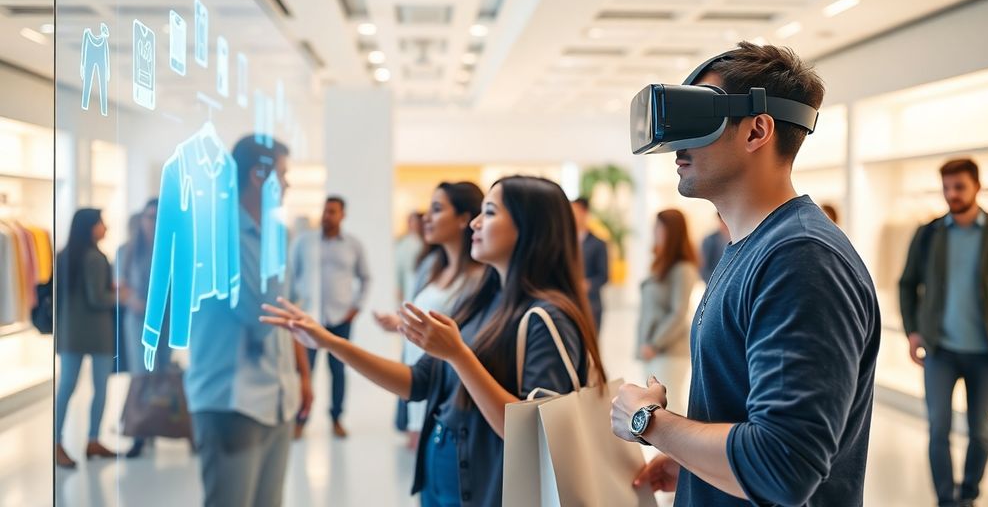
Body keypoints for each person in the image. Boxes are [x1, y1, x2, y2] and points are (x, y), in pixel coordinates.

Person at [612, 42, 880, 507]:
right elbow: (746, 417)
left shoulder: (800, 258)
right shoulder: (753, 247)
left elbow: (783, 467)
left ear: (757, 130)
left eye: (700, 119)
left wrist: (650, 421)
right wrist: (693, 464)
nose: (676, 147)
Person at [262, 175, 608, 507]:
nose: (475, 224)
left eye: (489, 213)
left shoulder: (547, 318)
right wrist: (329, 342)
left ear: (529, 228)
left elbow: (533, 436)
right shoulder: (482, 300)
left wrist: (458, 355)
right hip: (442, 479)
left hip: (490, 488)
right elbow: (417, 381)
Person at [186, 135, 312, 507]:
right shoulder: (218, 235)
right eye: (282, 175)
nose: (287, 185)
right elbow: (263, 315)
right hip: (231, 402)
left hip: (277, 397)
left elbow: (291, 316)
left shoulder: (275, 235)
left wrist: (302, 376)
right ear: (258, 176)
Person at [898, 158, 988, 507]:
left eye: (959, 187)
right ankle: (946, 499)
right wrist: (912, 331)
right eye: (947, 188)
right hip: (940, 350)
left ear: (977, 187)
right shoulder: (928, 234)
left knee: (980, 430)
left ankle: (968, 495)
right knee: (938, 428)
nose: (952, 194)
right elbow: (908, 284)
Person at [374, 182, 486, 449]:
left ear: (463, 219)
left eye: (437, 209)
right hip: (420, 378)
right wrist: (400, 324)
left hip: (448, 392)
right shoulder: (432, 266)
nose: (426, 218)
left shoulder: (478, 279)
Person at [289, 195, 370, 438]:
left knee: (338, 371)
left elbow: (366, 278)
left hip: (340, 319)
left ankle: (336, 419)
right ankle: (300, 420)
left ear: (342, 215)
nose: (327, 216)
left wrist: (356, 308)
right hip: (309, 318)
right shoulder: (304, 242)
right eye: (325, 211)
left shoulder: (353, 245)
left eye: (333, 212)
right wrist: (295, 307)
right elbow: (292, 275)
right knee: (305, 370)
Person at [55, 208, 128, 468]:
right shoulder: (96, 258)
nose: (105, 227)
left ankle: (57, 441)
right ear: (90, 226)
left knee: (66, 387)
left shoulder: (64, 256)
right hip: (98, 332)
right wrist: (121, 295)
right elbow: (97, 298)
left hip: (70, 332)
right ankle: (93, 439)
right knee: (99, 388)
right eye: (101, 223)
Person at [115, 198, 171, 458]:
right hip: (138, 320)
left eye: (159, 218)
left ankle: (154, 425)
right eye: (150, 217)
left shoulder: (170, 250)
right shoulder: (126, 251)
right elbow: (120, 286)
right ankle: (138, 432)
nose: (154, 222)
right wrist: (136, 302)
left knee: (161, 371)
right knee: (141, 373)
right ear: (142, 219)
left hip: (165, 320)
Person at [637, 209, 699, 410]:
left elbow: (679, 313)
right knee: (655, 409)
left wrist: (654, 343)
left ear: (671, 231)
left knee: (669, 411)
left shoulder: (683, 268)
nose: (654, 231)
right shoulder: (660, 265)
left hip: (668, 352)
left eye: (659, 227)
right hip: (652, 351)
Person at [571, 198, 609, 332]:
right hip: (571, 302)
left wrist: (587, 285)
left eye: (575, 212)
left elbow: (604, 275)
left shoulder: (598, 243)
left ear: (584, 213)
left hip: (591, 305)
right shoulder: (564, 242)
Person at [395, 210, 426, 302]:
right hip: (408, 281)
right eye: (410, 221)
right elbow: (398, 267)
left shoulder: (426, 242)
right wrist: (398, 286)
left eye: (415, 221)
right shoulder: (403, 243)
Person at [699, 213, 729, 283]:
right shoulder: (710, 240)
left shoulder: (742, 238)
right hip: (714, 283)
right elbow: (704, 269)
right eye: (722, 221)